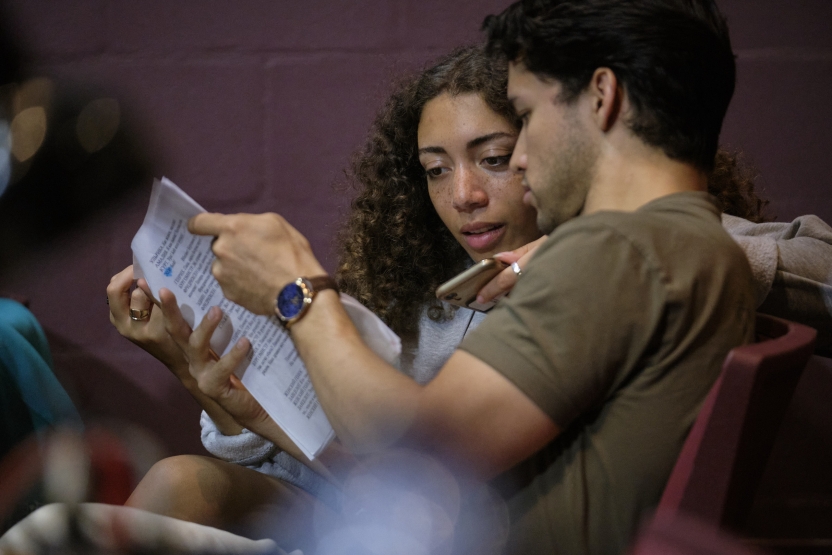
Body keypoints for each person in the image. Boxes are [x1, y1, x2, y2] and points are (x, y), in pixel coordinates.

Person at [110, 43, 832, 540]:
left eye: (492, 159)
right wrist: (238, 407)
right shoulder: (427, 300)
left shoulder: (628, 258)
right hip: (405, 513)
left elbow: (817, 263)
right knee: (176, 485)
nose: (465, 194)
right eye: (433, 169)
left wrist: (608, 243)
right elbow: (384, 477)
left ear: (544, 146)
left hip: (468, 530)